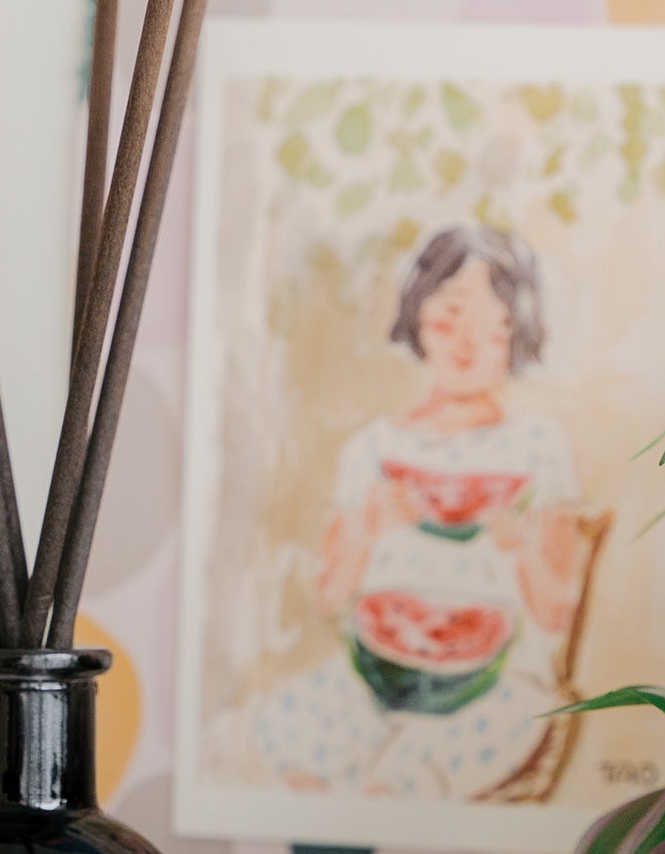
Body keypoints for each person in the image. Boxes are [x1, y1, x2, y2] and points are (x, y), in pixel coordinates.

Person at [253, 224, 592, 797]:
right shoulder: (373, 448)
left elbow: (557, 611)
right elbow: (330, 596)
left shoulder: (538, 448)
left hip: (498, 687)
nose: (466, 342)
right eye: (450, 315)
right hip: (367, 680)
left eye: (493, 325)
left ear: (518, 333)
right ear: (417, 315)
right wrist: (366, 527)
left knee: (400, 782)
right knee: (289, 746)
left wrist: (523, 547)